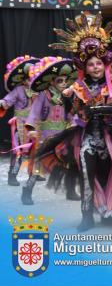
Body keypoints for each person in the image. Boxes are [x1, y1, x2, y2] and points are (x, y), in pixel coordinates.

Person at [39, 13, 112, 232]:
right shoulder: (77, 87)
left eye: (99, 63)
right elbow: (72, 111)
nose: (95, 67)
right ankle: (87, 215)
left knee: (109, 176)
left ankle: (108, 212)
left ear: (105, 64)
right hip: (87, 140)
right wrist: (67, 99)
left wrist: (95, 109)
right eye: (91, 64)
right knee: (87, 177)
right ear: (85, 66)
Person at [21, 57, 79, 205]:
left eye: (65, 81)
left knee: (70, 163)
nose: (63, 84)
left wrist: (74, 124)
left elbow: (71, 114)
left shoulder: (67, 97)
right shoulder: (43, 95)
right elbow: (34, 112)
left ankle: (70, 191)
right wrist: (31, 129)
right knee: (38, 165)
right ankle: (27, 191)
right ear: (52, 81)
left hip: (63, 136)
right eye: (60, 81)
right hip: (45, 136)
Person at [0, 55, 39, 186]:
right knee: (19, 151)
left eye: (33, 76)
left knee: (37, 150)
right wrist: (2, 104)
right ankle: (12, 175)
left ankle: (35, 173)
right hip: (21, 124)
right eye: (29, 77)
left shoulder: (39, 91)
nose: (31, 79)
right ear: (23, 79)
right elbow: (7, 101)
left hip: (36, 124)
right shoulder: (18, 90)